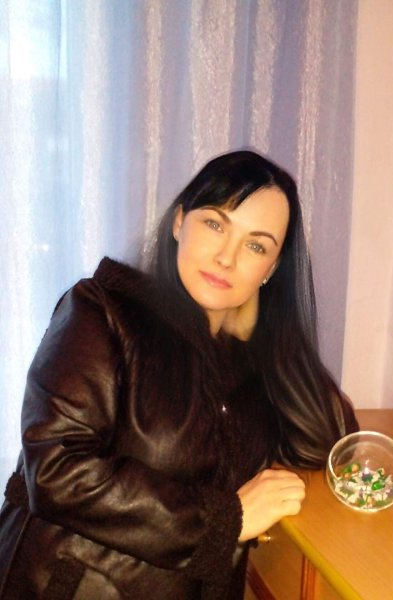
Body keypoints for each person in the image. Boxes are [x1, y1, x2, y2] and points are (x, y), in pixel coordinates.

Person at [0, 150, 358, 600]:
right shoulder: (101, 312)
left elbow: (332, 445)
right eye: (215, 224)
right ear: (178, 222)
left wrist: (279, 341)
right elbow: (57, 471)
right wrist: (226, 520)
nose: (227, 257)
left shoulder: (249, 361)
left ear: (271, 270)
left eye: (256, 246)